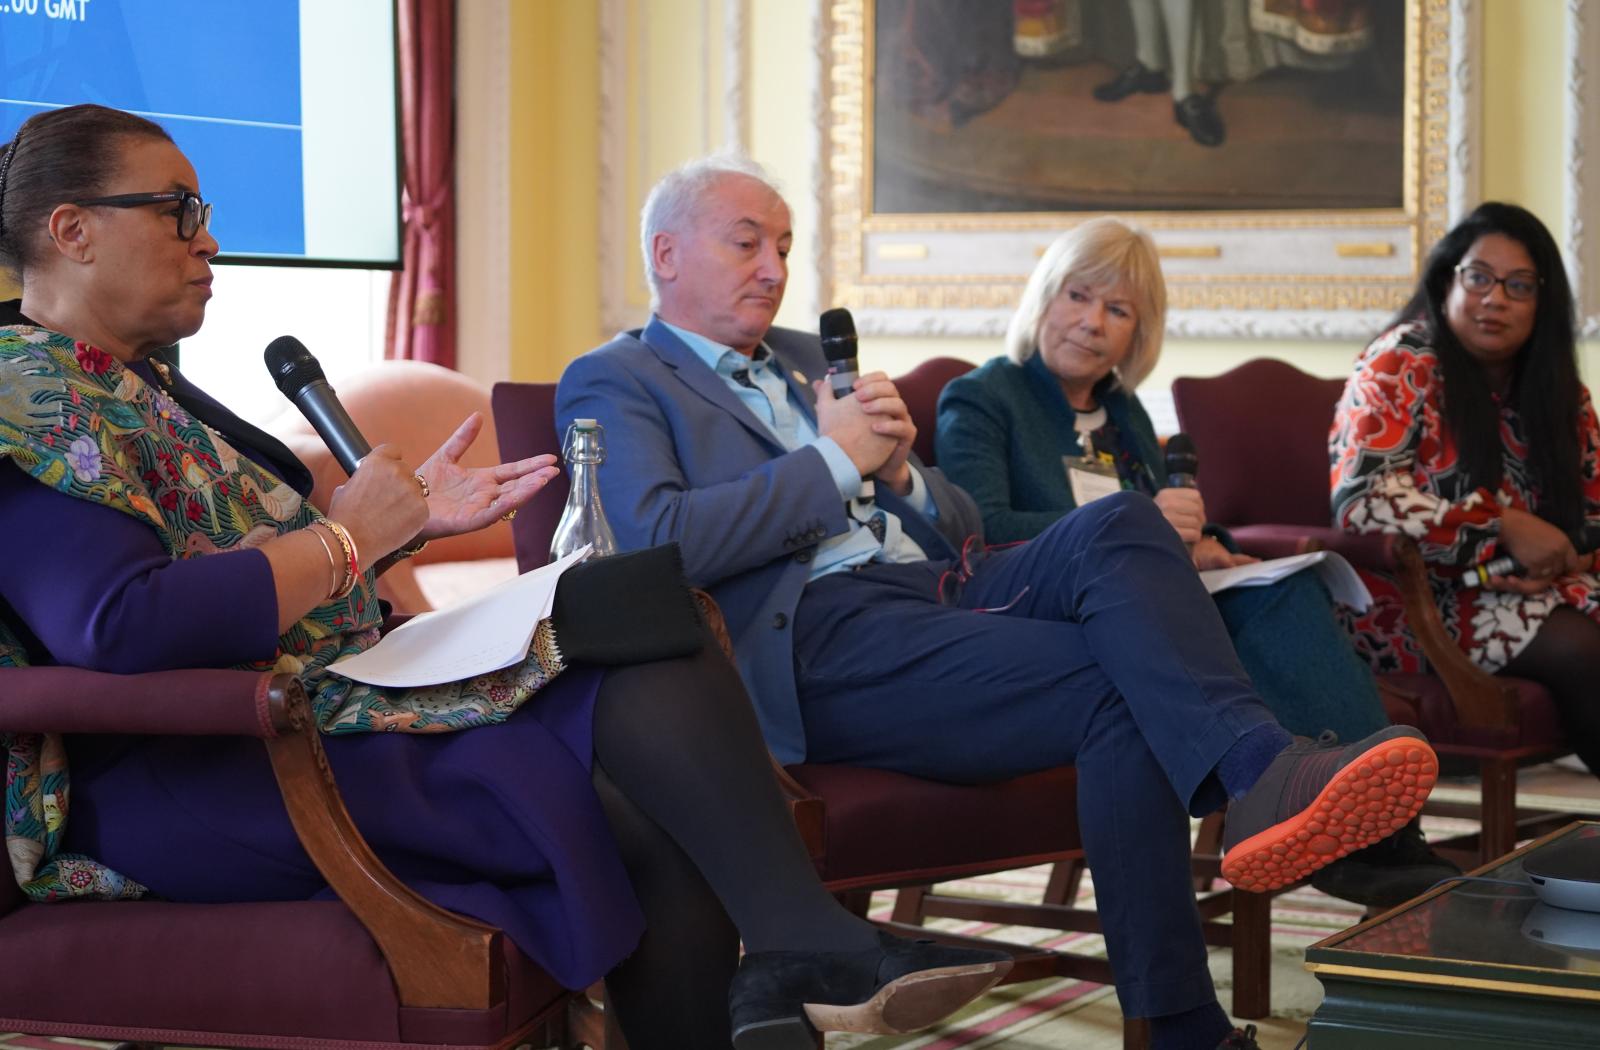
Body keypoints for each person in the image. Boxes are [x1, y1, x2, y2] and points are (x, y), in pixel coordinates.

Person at [0, 104, 1016, 1050]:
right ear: (72, 230)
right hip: (202, 764)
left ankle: (796, 947)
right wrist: (348, 540)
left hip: (316, 710)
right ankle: (802, 945)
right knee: (641, 778)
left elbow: (259, 571)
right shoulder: (24, 395)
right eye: (178, 212)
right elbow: (120, 626)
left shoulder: (134, 385)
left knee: (641, 607)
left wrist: (396, 531)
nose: (208, 240)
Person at [556, 151, 1440, 1050]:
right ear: (666, 254)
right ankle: (1186, 1023)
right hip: (819, 636)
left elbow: (962, 524)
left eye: (784, 246)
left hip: (938, 587)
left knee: (1124, 520)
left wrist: (902, 474)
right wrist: (834, 461)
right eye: (747, 244)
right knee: (1125, 691)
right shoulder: (617, 378)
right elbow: (655, 545)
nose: (775, 269)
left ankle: (1256, 771)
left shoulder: (804, 360)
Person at [933, 216, 1458, 907]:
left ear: (1138, 333)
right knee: (1259, 607)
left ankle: (1378, 833)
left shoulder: (1121, 412)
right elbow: (979, 532)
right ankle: (1341, 831)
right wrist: (1141, 523)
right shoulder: (983, 397)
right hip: (1041, 613)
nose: (1092, 322)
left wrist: (1203, 542)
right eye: (1077, 296)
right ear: (1044, 298)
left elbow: (1161, 513)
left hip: (1144, 600)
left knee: (1286, 589)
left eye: (1118, 310)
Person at [1331, 201, 1600, 777]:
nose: (1495, 298)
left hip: (1537, 592)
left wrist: (1562, 555)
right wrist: (1502, 526)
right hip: (1410, 602)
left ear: (1543, 301)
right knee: (1584, 649)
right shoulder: (1399, 362)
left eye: (1518, 285)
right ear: (1447, 280)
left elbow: (1593, 514)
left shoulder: (1559, 391)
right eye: (1479, 277)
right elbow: (1363, 502)